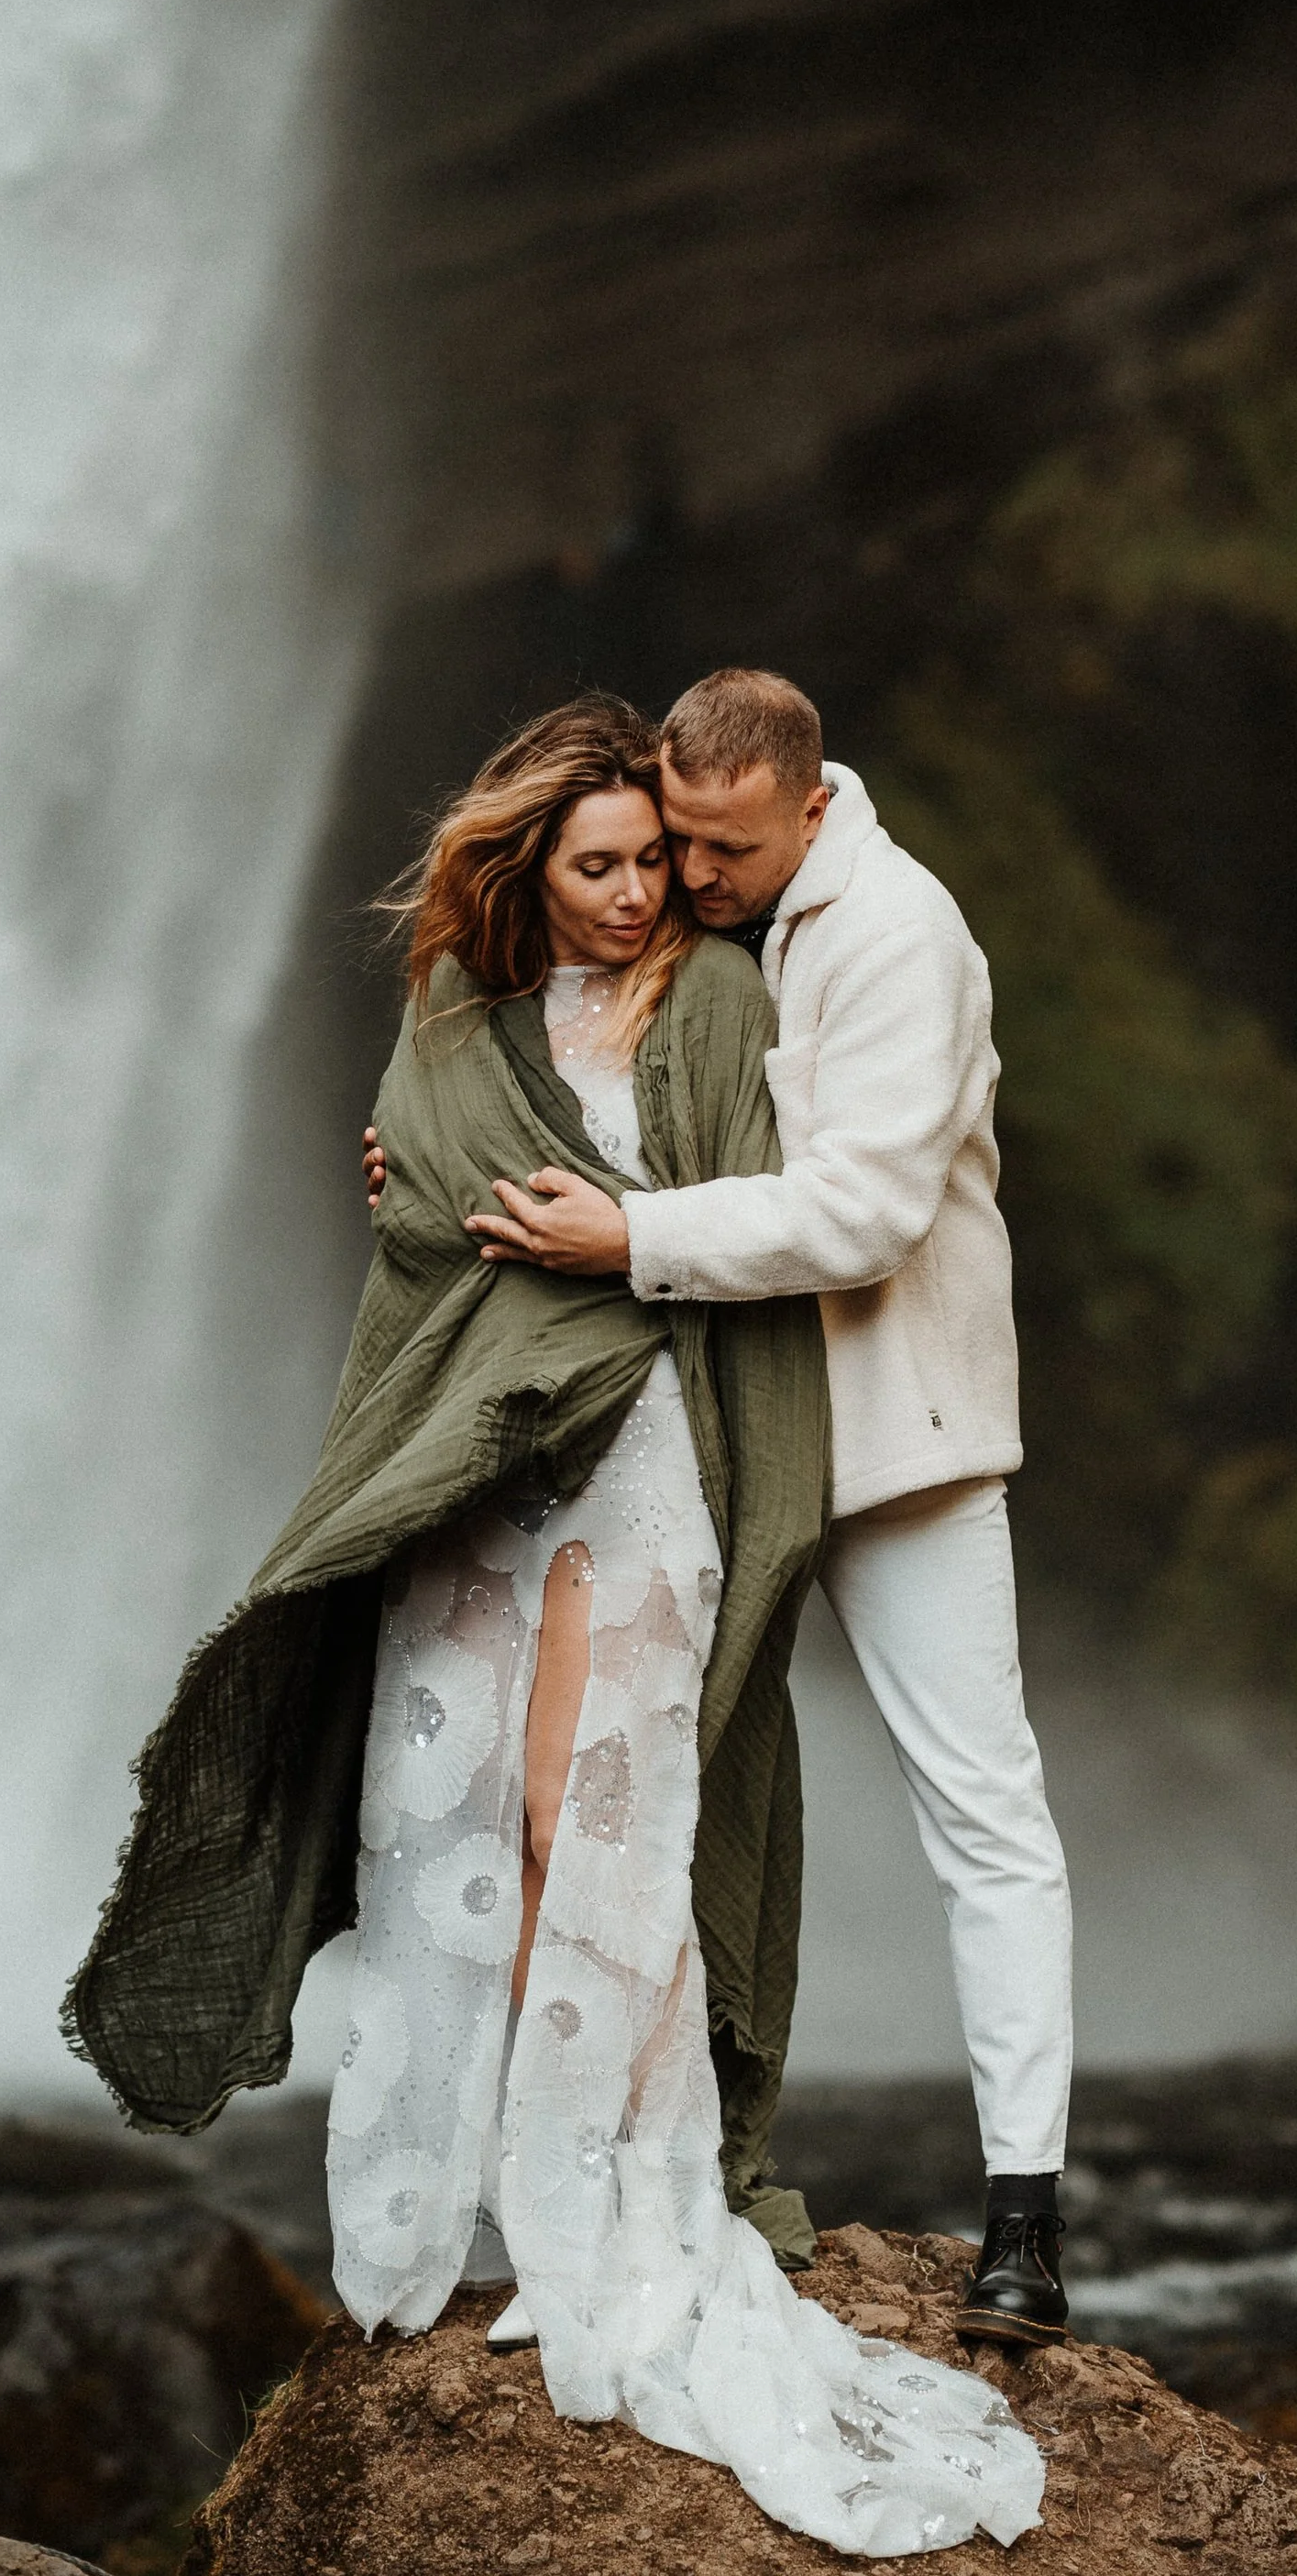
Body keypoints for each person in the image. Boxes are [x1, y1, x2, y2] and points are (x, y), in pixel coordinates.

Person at [71, 696, 1043, 2558]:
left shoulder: (730, 1003)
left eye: (657, 862)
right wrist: (425, 1190)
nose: (635, 892)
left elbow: (814, 1188)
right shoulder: (465, 1023)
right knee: (440, 1828)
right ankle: (459, 2218)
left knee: (584, 1822)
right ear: (527, 869)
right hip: (478, 1455)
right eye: (595, 863)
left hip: (650, 1441)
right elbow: (430, 1199)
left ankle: (619, 2219)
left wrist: (615, 1235)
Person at [436, 668, 1076, 2354]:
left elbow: (861, 1212)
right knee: (657, 1782)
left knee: (980, 1803)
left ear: (807, 805)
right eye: (675, 837)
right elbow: (585, 1075)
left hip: (901, 1437)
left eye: (717, 848)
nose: (687, 875)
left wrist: (626, 1244)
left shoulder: (898, 936)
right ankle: (659, 2171)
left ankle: (1025, 2215)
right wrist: (425, 1158)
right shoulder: (720, 932)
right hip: (727, 1433)